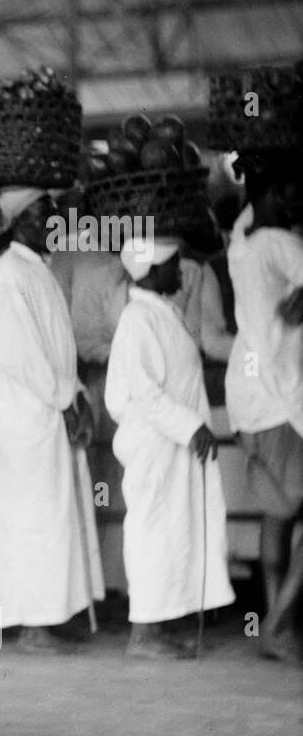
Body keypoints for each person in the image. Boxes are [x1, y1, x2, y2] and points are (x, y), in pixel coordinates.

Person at [0, 187, 104, 651]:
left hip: (47, 409)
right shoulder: (8, 273)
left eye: (52, 214)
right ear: (14, 223)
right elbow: (22, 356)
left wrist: (77, 395)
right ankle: (31, 624)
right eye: (39, 215)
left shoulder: (39, 268)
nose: (51, 222)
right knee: (30, 520)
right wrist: (66, 398)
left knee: (53, 517)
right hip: (25, 418)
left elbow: (59, 349)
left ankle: (54, 612)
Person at [105, 236, 236, 658]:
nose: (180, 272)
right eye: (174, 265)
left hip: (170, 443)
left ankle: (160, 625)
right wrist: (191, 426)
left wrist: (190, 428)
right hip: (154, 443)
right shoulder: (138, 319)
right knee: (152, 530)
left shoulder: (162, 313)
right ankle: (143, 635)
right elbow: (144, 390)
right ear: (151, 271)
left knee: (172, 530)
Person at [225, 150, 303, 662]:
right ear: (273, 195)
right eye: (292, 190)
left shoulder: (240, 245)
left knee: (278, 514)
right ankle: (276, 626)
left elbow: (245, 214)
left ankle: (277, 627)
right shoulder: (281, 243)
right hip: (280, 399)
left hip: (245, 402)